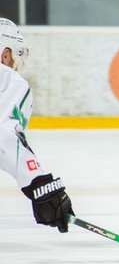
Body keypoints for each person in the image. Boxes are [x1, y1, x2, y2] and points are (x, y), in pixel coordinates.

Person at [0, 18, 74, 233]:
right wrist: (40, 185)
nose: (14, 66)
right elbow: (4, 135)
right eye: (15, 57)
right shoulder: (8, 80)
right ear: (5, 53)